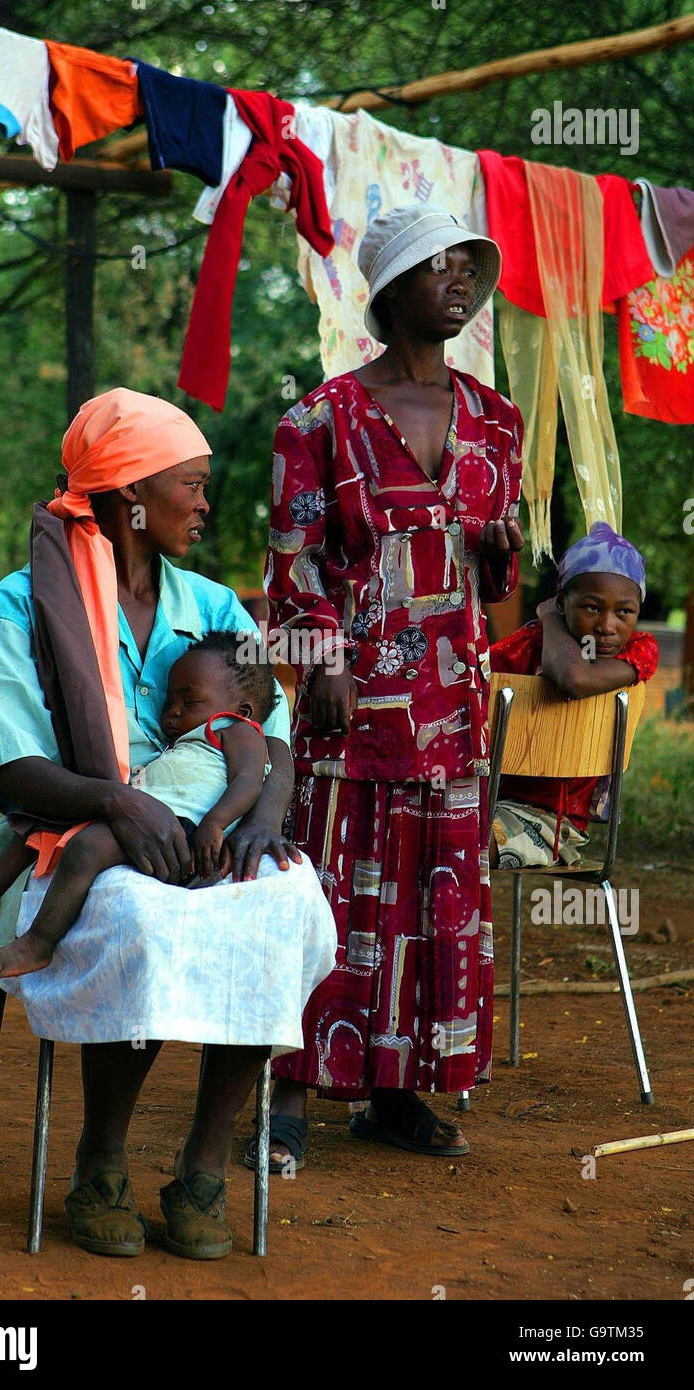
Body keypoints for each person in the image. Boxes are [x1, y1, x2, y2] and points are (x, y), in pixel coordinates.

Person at [0, 388, 336, 1260]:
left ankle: (201, 1169)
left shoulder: (217, 609)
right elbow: (12, 768)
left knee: (282, 902)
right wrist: (121, 801)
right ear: (130, 500)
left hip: (214, 828)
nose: (204, 503)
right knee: (133, 913)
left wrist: (261, 824)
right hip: (74, 841)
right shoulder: (21, 605)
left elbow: (270, 735)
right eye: (190, 485)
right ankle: (102, 1161)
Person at [253, 206, 524, 1173]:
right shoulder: (316, 421)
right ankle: (286, 1094)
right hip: (352, 703)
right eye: (436, 268)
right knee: (331, 898)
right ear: (390, 292)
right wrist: (318, 659)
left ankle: (397, 1093)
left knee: (432, 902)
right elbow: (294, 563)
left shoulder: (499, 421)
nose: (458, 283)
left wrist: (496, 556)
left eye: (467, 269)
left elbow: (496, 581)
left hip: (454, 707)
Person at [0, 631, 277, 978]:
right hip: (147, 814)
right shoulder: (188, 739)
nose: (172, 713)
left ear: (242, 709)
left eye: (189, 701)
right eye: (170, 702)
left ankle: (39, 943)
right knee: (50, 818)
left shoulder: (238, 731)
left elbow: (248, 781)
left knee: (88, 847)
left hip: (182, 832)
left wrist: (214, 825)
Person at [489, 522, 659, 869]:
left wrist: (550, 618)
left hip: (553, 824)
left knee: (462, 846)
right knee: (432, 829)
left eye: (624, 612)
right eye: (592, 608)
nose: (608, 626)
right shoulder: (529, 646)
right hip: (487, 799)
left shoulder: (641, 649)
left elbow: (574, 678)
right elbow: (475, 680)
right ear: (564, 601)